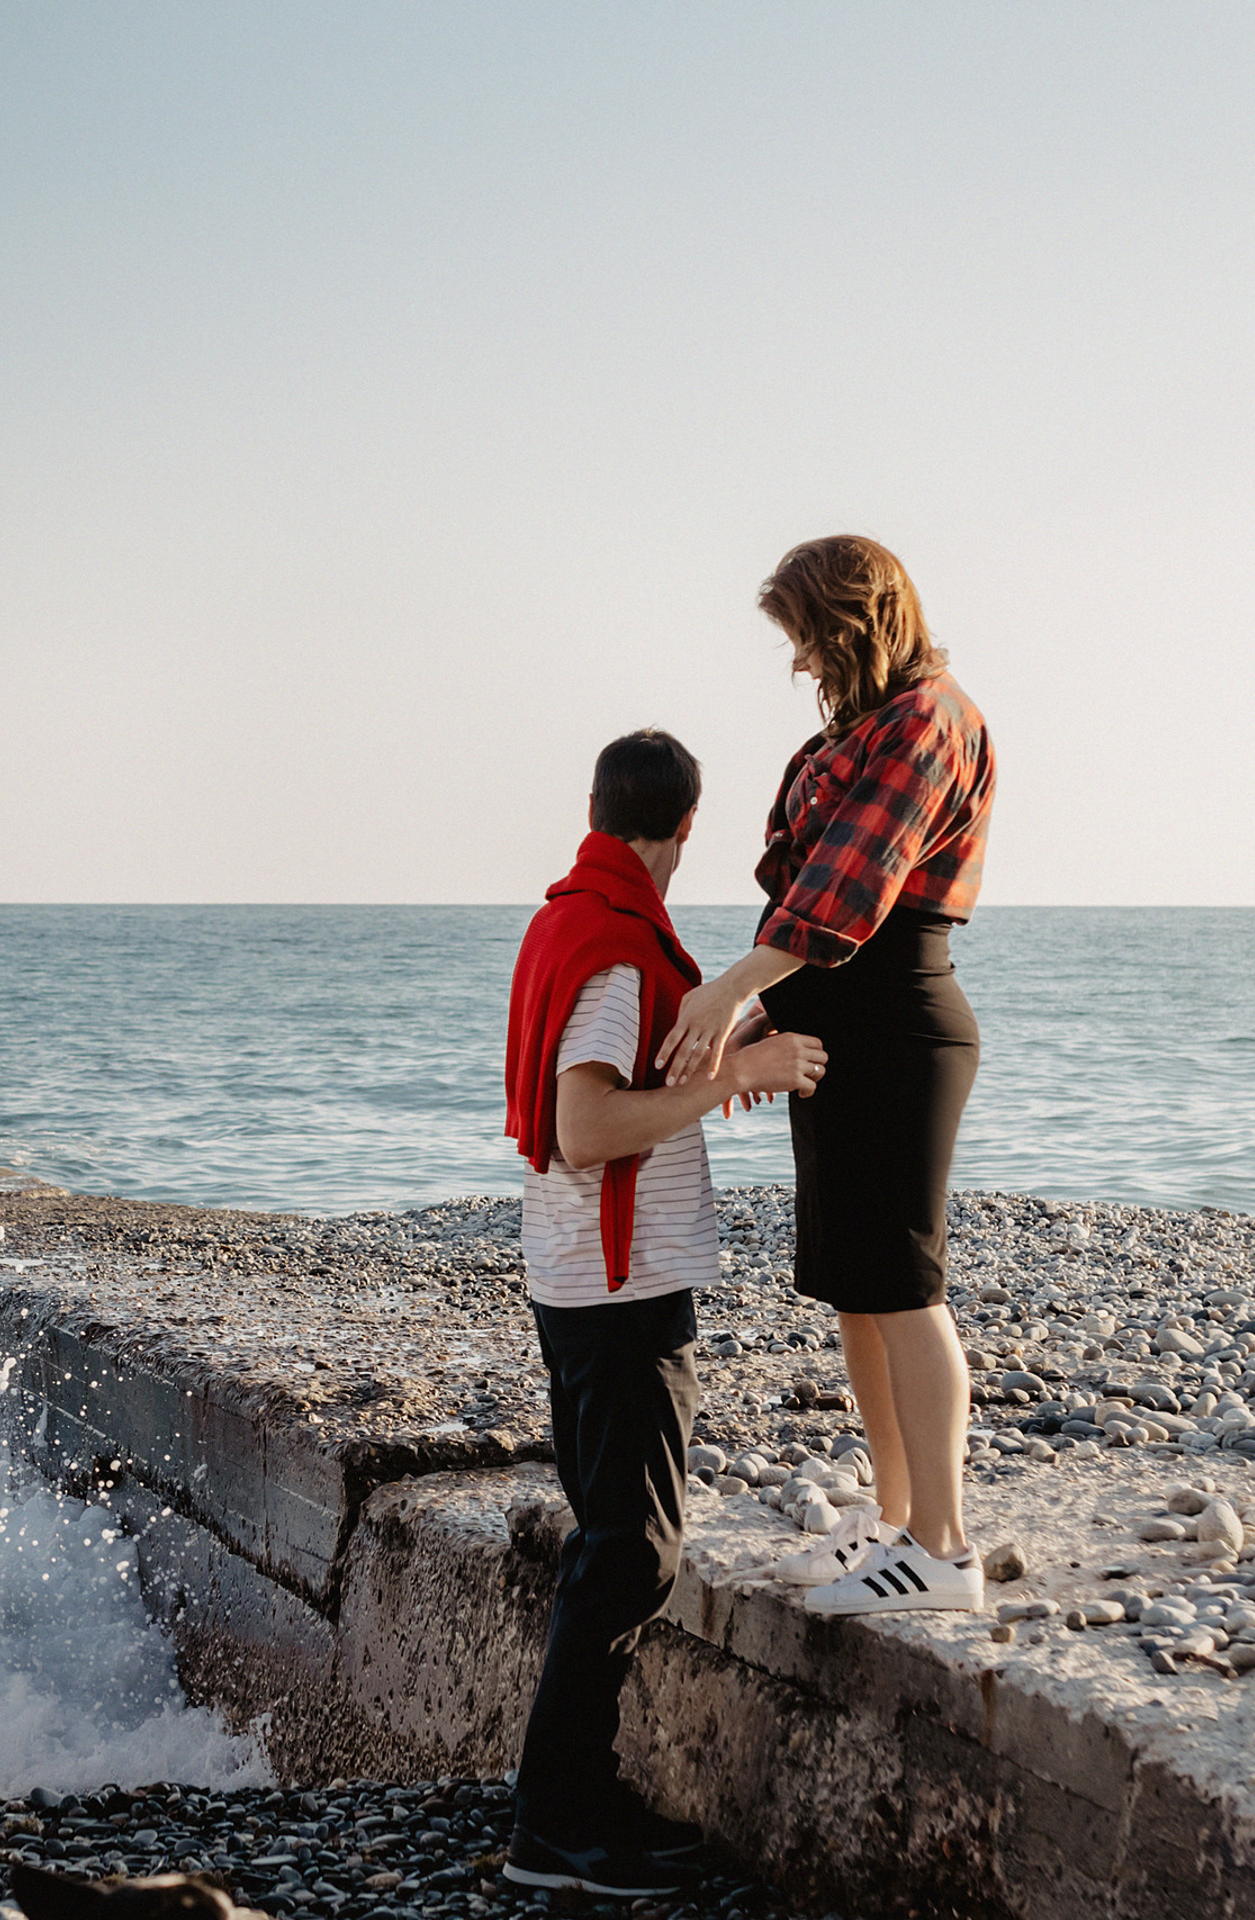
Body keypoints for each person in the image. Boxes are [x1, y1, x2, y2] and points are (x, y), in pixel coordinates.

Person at [503, 728, 828, 1896]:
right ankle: (554, 1826)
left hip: (577, 1274)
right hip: (618, 1285)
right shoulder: (618, 948)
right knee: (632, 1554)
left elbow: (611, 1083)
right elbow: (587, 1126)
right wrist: (742, 1075)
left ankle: (578, 1801)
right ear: (689, 827)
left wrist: (718, 1051)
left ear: (598, 809)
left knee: (610, 1543)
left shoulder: (569, 918)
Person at [656, 536, 996, 1617]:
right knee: (857, 1287)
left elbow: (847, 901)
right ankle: (896, 1527)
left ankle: (945, 1549)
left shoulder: (928, 720)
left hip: (899, 1020)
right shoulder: (867, 724)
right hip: (846, 1015)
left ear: (852, 621)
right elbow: (813, 911)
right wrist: (769, 1009)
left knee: (904, 1283)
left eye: (806, 635)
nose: (799, 660)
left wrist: (719, 995)